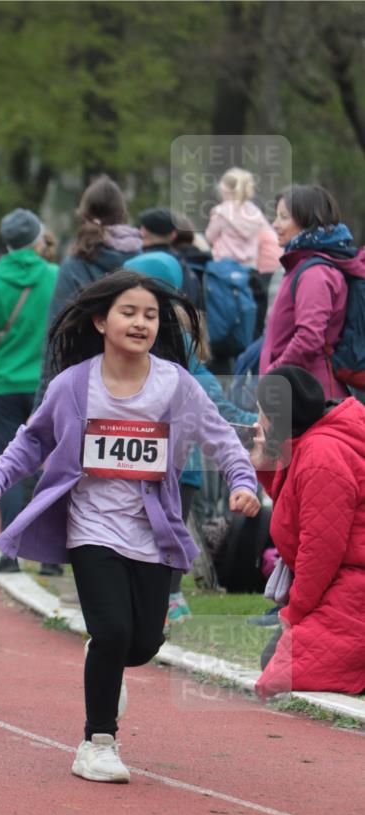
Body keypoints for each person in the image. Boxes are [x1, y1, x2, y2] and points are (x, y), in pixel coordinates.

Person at [0, 270, 260, 782]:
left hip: (155, 529)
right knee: (113, 631)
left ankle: (105, 656)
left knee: (142, 643)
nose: (141, 323)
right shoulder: (73, 385)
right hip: (92, 527)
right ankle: (97, 743)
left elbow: (220, 437)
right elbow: (32, 439)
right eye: (129, 312)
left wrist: (242, 481)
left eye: (151, 315)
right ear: (101, 321)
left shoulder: (176, 385)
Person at [123, 254, 257, 624]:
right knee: (159, 538)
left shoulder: (173, 345)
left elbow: (213, 402)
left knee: (162, 538)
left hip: (175, 468)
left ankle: (163, 605)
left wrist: (256, 423)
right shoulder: (160, 335)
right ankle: (160, 603)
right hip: (157, 464)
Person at [250, 366, 365, 698]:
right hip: (346, 581)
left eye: (261, 412)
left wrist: (294, 612)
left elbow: (320, 553)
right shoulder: (313, 440)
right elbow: (294, 512)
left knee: (278, 670)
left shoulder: (321, 455)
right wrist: (265, 464)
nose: (256, 421)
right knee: (276, 662)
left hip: (352, 583)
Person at [0, 208, 57, 573]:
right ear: (37, 240)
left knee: (7, 463)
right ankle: (50, 557)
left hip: (3, 382)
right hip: (47, 384)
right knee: (50, 464)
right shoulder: (54, 275)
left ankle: (9, 552)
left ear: (6, 243)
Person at [36, 175, 142, 406]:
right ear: (122, 214)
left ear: (83, 215)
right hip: (140, 388)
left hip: (85, 391)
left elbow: (58, 339)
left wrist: (43, 404)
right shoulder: (145, 262)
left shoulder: (75, 266)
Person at [260, 184, 365, 400]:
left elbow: (309, 338)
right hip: (301, 388)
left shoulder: (314, 273)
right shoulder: (302, 265)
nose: (275, 224)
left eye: (283, 217)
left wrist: (274, 375)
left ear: (307, 219)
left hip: (311, 395)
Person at [205, 168, 272, 268]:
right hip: (250, 266)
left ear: (224, 189)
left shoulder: (221, 212)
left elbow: (210, 237)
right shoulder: (255, 212)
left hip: (225, 266)